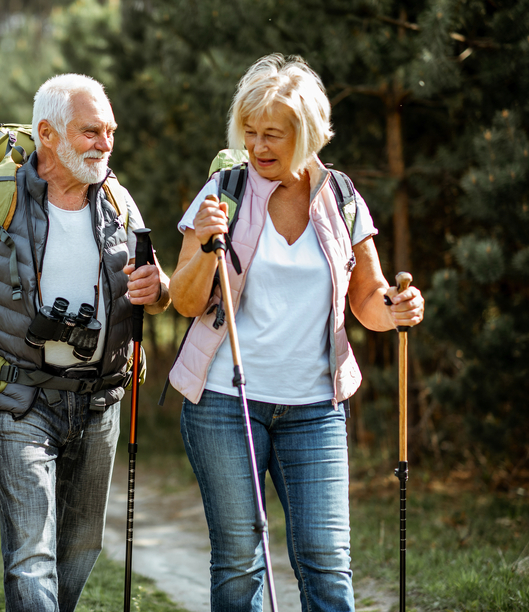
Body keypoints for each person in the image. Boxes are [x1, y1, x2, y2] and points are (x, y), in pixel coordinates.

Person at [0, 73, 171, 612]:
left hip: (98, 401)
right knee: (30, 556)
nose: (105, 143)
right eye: (90, 132)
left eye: (110, 131)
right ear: (48, 134)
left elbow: (156, 292)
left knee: (79, 549)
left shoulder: (118, 199)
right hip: (19, 398)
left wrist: (157, 289)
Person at [167, 54, 425, 611]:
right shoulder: (224, 189)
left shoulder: (341, 196)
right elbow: (184, 301)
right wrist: (209, 246)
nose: (258, 147)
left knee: (327, 564)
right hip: (224, 401)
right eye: (251, 133)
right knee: (240, 564)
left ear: (307, 134)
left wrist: (398, 307)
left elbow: (368, 299)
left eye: (273, 135)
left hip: (315, 406)